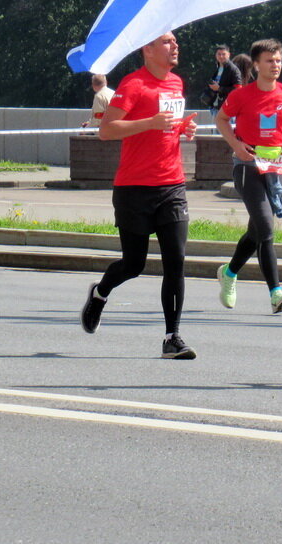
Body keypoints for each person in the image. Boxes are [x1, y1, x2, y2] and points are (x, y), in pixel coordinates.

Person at [78, 31, 200, 359]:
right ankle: (101, 293)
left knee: (176, 262)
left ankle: (172, 337)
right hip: (134, 187)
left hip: (171, 185)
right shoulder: (134, 85)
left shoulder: (176, 83)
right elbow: (107, 130)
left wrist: (182, 128)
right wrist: (150, 122)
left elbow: (167, 127)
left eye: (175, 41)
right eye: (167, 42)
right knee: (134, 264)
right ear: (147, 48)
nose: (175, 46)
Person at [214, 39, 282, 314]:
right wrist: (237, 145)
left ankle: (229, 272)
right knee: (265, 227)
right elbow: (221, 120)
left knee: (256, 230)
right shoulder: (242, 95)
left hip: (276, 168)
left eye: (278, 60)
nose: (275, 66)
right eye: (269, 61)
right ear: (256, 64)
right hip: (247, 166)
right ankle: (276, 293)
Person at [202, 44, 241, 118]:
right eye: (219, 54)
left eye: (223, 54)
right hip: (214, 107)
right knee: (215, 129)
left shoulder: (233, 69)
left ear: (229, 55)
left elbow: (238, 89)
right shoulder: (217, 67)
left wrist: (219, 88)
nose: (221, 56)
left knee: (225, 129)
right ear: (216, 55)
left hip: (227, 108)